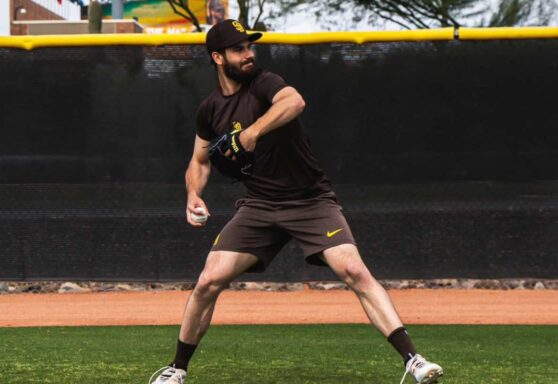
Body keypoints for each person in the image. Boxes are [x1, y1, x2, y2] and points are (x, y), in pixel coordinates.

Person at [149, 20, 444, 384]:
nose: (248, 54)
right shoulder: (210, 109)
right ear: (217, 57)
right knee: (208, 280)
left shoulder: (265, 83)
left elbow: (295, 100)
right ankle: (176, 369)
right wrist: (193, 194)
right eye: (238, 49)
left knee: (353, 270)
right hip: (259, 206)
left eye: (249, 46)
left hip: (310, 201)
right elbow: (199, 160)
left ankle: (414, 360)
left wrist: (253, 132)